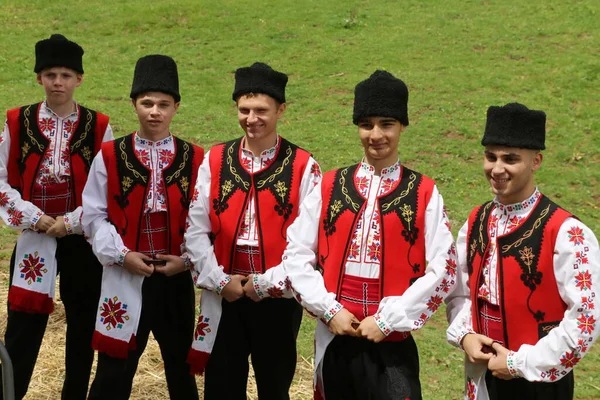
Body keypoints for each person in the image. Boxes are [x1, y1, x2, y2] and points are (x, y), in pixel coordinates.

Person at [244, 70, 457, 400]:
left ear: (402, 126)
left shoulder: (424, 192)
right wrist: (329, 310)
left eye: (386, 124)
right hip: (335, 336)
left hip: (392, 344)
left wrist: (388, 320)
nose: (376, 134)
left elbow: (445, 269)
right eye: (366, 124)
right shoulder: (329, 186)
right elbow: (297, 256)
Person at [184, 62, 322, 399]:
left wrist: (265, 284)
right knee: (221, 386)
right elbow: (195, 228)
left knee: (274, 387)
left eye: (261, 110)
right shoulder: (216, 159)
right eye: (244, 110)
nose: (251, 118)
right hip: (224, 291)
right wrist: (219, 280)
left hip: (275, 299)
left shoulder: (304, 166)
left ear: (281, 110)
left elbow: (310, 241)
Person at [446, 102, 600, 400]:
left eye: (510, 159)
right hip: (481, 373)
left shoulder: (567, 232)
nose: (497, 168)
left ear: (536, 160)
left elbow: (585, 320)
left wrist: (519, 363)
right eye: (491, 157)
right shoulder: (476, 221)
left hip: (539, 383)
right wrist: (465, 335)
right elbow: (458, 292)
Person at [82, 54, 202, 400]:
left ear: (176, 107)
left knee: (181, 366)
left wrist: (186, 261)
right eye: (147, 102)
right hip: (125, 274)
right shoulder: (109, 155)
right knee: (113, 368)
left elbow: (203, 221)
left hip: (174, 276)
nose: (155, 111)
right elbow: (93, 217)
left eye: (164, 104)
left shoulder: (196, 158)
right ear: (133, 103)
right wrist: (121, 256)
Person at [0, 33, 112, 400]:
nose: (58, 82)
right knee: (22, 324)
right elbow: (0, 177)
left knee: (82, 326)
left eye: (66, 75)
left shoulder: (98, 126)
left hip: (79, 237)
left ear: (79, 79)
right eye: (50, 75)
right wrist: (32, 217)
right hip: (35, 233)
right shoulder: (17, 121)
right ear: (39, 79)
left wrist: (73, 221)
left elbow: (106, 187)